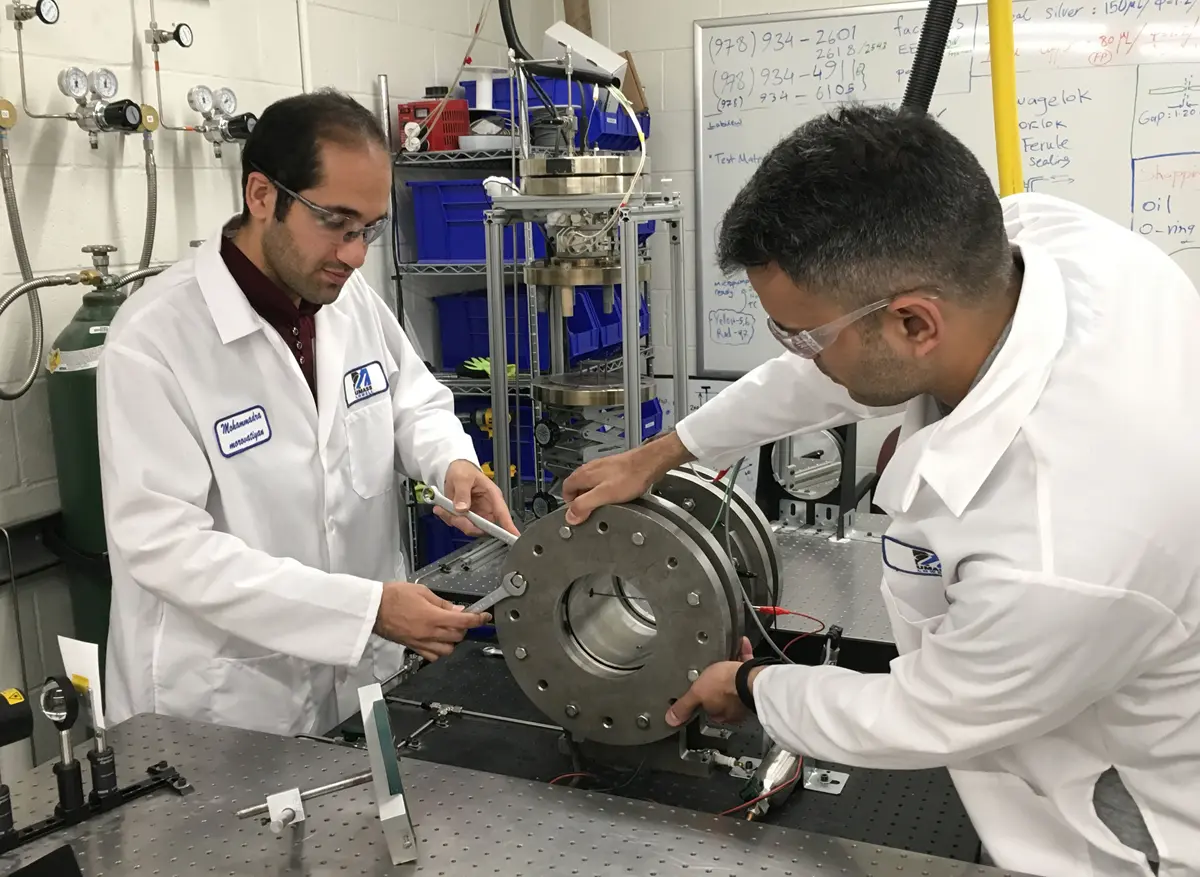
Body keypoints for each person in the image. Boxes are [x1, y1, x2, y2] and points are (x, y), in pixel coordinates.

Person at [563, 105, 1200, 876]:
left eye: (802, 335)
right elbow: (829, 374)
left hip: (1117, 818)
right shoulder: (1041, 243)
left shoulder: (1062, 542)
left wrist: (755, 685)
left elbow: (923, 713)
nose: (798, 355)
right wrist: (664, 452)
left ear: (915, 324)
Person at [97, 89, 516, 737]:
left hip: (355, 682)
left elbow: (411, 400)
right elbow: (166, 547)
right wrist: (364, 609)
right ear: (262, 195)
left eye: (369, 229)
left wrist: (451, 463)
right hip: (225, 702)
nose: (355, 254)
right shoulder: (155, 338)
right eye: (336, 222)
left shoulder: (348, 300)